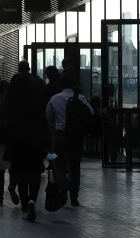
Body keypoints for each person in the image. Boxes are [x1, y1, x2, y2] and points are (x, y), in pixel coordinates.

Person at [6, 61, 48, 222]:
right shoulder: (38, 89)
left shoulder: (13, 97)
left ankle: (24, 206)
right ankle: (32, 200)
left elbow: (7, 118)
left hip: (18, 139)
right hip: (36, 139)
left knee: (21, 173)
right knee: (35, 173)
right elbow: (43, 117)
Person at [46, 73, 94, 206]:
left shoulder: (55, 99)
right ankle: (74, 197)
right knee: (75, 166)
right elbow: (91, 112)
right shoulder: (80, 98)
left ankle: (63, 186)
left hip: (60, 136)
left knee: (59, 165)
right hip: (76, 136)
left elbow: (49, 118)